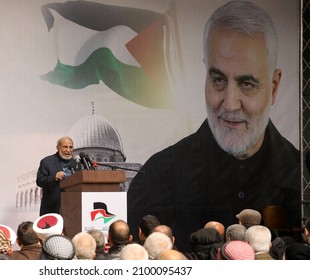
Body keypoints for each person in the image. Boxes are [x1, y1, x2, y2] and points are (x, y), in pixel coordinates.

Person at [127, 0, 300, 253]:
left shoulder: (301, 178)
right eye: (218, 79)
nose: (230, 104)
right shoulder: (157, 179)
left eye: (247, 84)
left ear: (274, 87)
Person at [36, 136, 74, 215]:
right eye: (65, 147)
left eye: (71, 147)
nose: (68, 150)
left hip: (73, 207)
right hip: (53, 209)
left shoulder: (76, 163)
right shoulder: (47, 162)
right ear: (58, 147)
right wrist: (54, 178)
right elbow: (40, 181)